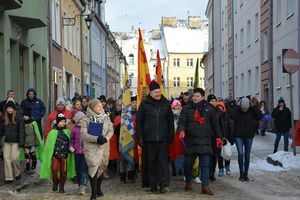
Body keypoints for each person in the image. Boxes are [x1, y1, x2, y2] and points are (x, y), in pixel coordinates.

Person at [178, 88, 221, 195]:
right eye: (194, 96)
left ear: (202, 97)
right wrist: (181, 130)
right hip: (191, 141)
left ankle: (205, 186)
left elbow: (215, 125)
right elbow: (182, 122)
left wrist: (219, 137)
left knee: (205, 165)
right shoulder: (187, 108)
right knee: (188, 164)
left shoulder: (209, 109)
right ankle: (189, 181)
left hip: (205, 141)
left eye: (197, 96)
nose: (195, 98)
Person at [136, 80, 174, 193]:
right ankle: (153, 184)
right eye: (155, 92)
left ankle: (164, 184)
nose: (158, 94)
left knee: (163, 163)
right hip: (149, 138)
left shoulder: (166, 103)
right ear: (150, 93)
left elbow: (170, 121)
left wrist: (170, 135)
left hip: (162, 139)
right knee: (151, 162)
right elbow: (139, 121)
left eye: (159, 91)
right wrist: (140, 136)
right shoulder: (144, 103)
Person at [80, 99, 114, 200]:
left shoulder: (106, 118)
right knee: (93, 167)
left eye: (101, 106)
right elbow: (83, 134)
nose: (100, 108)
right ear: (92, 108)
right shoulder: (86, 119)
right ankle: (93, 193)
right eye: (98, 106)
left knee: (102, 168)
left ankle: (98, 188)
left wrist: (105, 138)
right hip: (91, 147)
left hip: (104, 146)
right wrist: (95, 139)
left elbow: (111, 130)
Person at [40, 113, 75, 193]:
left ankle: (62, 185)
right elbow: (49, 145)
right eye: (62, 121)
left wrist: (70, 148)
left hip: (64, 155)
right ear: (57, 122)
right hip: (55, 155)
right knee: (54, 169)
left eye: (64, 121)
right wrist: (50, 154)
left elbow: (70, 142)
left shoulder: (67, 132)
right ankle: (55, 181)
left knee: (64, 171)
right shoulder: (52, 132)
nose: (63, 123)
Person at [229, 97, 263, 182]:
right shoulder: (237, 110)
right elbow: (231, 116)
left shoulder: (252, 110)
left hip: (249, 136)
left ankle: (246, 174)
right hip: (238, 136)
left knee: (247, 155)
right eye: (243, 108)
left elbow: (260, 116)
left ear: (249, 106)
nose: (244, 110)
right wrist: (237, 106)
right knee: (240, 154)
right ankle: (241, 174)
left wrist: (254, 106)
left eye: (246, 108)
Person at [0, 99, 24, 183]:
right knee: (6, 159)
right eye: (8, 108)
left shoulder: (18, 118)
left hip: (15, 141)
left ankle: (17, 172)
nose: (9, 110)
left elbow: (21, 131)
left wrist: (21, 143)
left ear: (14, 109)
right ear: (6, 109)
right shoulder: (3, 118)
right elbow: (1, 130)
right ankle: (9, 177)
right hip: (6, 141)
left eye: (11, 108)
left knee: (14, 158)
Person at [70, 111, 88, 195]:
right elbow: (71, 140)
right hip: (76, 152)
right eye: (81, 118)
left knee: (84, 169)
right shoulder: (74, 129)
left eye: (84, 118)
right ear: (78, 120)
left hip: (86, 152)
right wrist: (71, 146)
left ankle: (83, 186)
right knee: (78, 169)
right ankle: (80, 184)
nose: (83, 120)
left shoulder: (88, 128)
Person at [22, 108, 44, 174]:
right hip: (25, 142)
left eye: (26, 116)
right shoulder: (22, 123)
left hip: (32, 142)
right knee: (26, 155)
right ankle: (27, 167)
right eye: (24, 116)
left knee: (32, 154)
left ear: (29, 116)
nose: (24, 117)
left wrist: (37, 142)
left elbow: (36, 133)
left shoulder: (33, 123)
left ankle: (34, 163)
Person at [206, 94, 220, 182]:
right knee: (209, 155)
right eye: (211, 101)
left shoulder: (219, 111)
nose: (213, 103)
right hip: (208, 136)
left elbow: (220, 125)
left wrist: (221, 136)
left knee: (215, 155)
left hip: (216, 137)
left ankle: (212, 172)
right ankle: (209, 172)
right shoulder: (206, 110)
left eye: (214, 101)